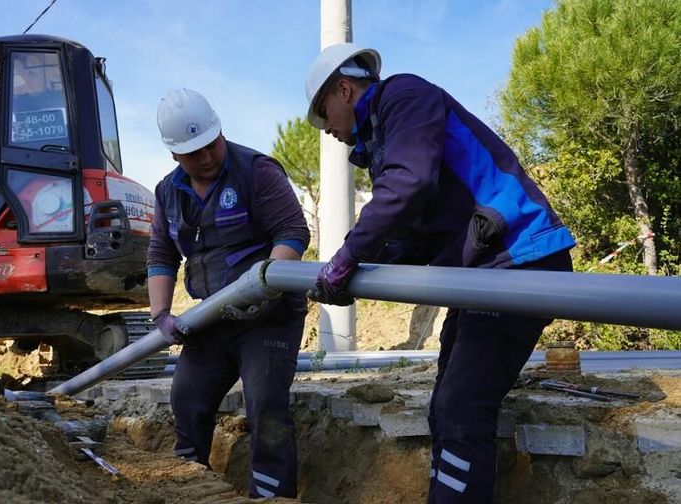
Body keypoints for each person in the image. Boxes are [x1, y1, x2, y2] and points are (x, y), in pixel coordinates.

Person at [304, 43, 576, 503]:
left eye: (323, 113)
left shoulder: (404, 96)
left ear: (345, 89)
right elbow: (412, 233)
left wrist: (347, 255)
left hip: (518, 261)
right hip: (484, 273)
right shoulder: (390, 134)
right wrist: (356, 271)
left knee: (461, 407)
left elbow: (407, 186)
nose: (326, 128)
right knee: (446, 407)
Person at [147, 88, 310, 499]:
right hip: (214, 314)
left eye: (210, 144)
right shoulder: (168, 193)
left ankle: (271, 495)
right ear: (174, 155)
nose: (206, 157)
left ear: (220, 131)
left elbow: (292, 232)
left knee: (265, 405)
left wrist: (267, 284)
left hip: (268, 314)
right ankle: (188, 485)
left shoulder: (256, 171)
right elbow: (161, 254)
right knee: (186, 397)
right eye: (193, 152)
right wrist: (161, 314)